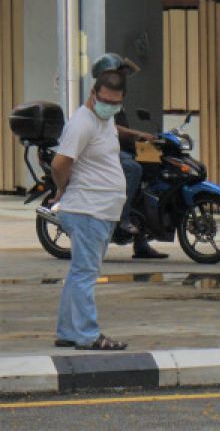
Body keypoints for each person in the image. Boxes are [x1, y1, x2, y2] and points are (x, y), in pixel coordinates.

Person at [50, 66, 132, 350]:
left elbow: (111, 132)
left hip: (100, 209)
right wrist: (62, 188)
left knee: (79, 273)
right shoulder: (82, 122)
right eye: (105, 100)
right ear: (93, 94)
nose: (109, 107)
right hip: (87, 209)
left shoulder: (104, 120)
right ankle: (87, 335)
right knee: (85, 274)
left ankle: (68, 331)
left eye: (115, 103)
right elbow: (60, 163)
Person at [89, 53, 168, 259]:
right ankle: (121, 219)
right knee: (134, 169)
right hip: (105, 153)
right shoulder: (100, 99)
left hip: (120, 150)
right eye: (119, 74)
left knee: (152, 172)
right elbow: (113, 128)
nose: (123, 78)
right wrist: (138, 134)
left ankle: (141, 243)